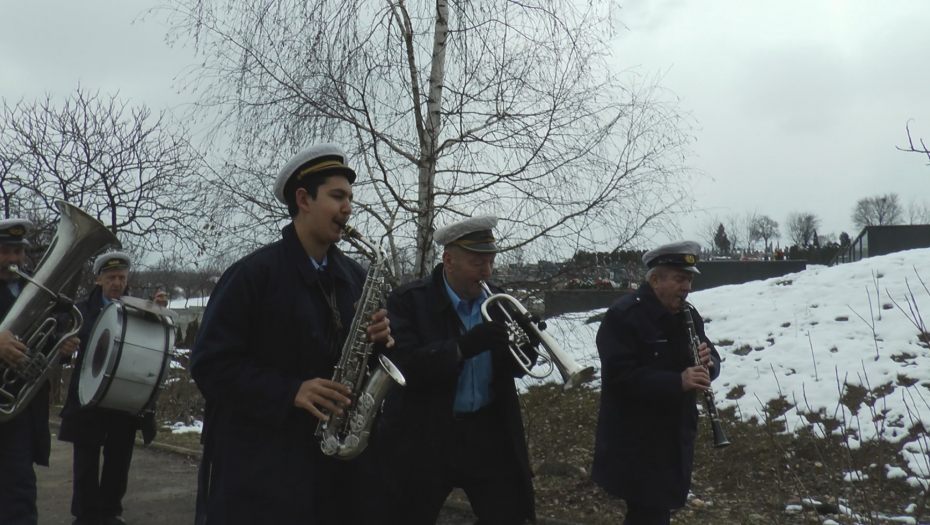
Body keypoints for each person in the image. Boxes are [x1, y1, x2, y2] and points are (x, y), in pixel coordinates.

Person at [190, 144, 392, 525]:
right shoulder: (252, 275)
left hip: (335, 473)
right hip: (262, 473)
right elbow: (209, 365)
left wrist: (382, 341)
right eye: (337, 196)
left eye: (350, 197)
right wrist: (290, 391)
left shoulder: (357, 277)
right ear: (303, 199)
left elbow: (366, 362)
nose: (348, 207)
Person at [372, 215, 537, 525]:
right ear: (449, 261)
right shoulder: (409, 301)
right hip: (426, 433)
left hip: (486, 431)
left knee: (509, 515)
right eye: (477, 263)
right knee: (409, 515)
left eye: (490, 262)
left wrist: (523, 348)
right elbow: (404, 365)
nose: (486, 272)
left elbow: (521, 368)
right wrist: (463, 347)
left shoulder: (501, 303)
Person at [592, 241, 722, 525]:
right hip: (636, 442)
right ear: (655, 280)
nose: (686, 287)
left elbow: (712, 360)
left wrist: (708, 363)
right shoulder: (624, 316)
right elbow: (619, 377)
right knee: (648, 515)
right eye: (679, 279)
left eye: (688, 279)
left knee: (655, 513)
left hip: (674, 438)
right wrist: (678, 381)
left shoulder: (688, 315)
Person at [58, 251, 168, 525]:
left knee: (118, 463)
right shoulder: (81, 311)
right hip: (89, 401)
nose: (118, 283)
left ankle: (110, 514)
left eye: (122, 278)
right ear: (99, 279)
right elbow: (62, 353)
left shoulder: (140, 309)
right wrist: (63, 345)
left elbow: (153, 344)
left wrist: (158, 312)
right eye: (111, 278)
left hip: (124, 402)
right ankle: (85, 516)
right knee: (85, 465)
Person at [0, 218, 78, 525]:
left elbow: (57, 325)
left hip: (19, 412)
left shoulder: (38, 286)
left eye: (18, 252)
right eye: (5, 251)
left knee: (20, 495)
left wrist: (60, 346)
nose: (14, 260)